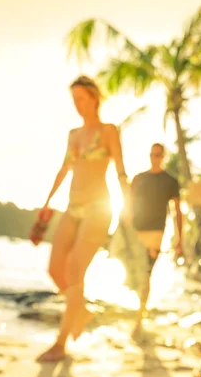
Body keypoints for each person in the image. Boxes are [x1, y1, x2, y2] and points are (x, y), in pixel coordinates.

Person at [36, 75, 129, 362]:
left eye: (80, 99)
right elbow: (63, 170)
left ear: (94, 97)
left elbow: (120, 170)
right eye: (73, 100)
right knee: (55, 270)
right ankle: (82, 310)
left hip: (98, 209)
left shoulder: (109, 130)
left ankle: (60, 344)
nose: (76, 105)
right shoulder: (74, 135)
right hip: (72, 207)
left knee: (75, 271)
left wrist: (130, 207)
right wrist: (47, 202)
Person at [129, 143, 183, 336]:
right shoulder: (138, 178)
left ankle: (139, 318)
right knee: (133, 273)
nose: (155, 158)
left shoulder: (170, 181)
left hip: (156, 232)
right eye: (152, 154)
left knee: (146, 273)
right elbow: (129, 205)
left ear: (164, 157)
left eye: (158, 155)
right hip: (135, 230)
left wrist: (179, 239)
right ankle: (137, 311)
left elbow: (178, 212)